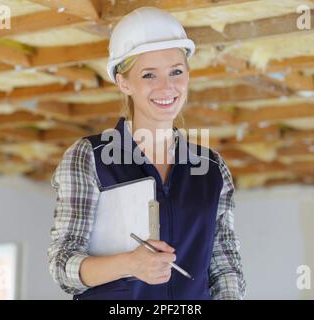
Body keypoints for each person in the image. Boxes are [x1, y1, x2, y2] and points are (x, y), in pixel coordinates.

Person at [48, 6, 245, 300]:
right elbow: (62, 266)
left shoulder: (211, 168)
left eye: (176, 72)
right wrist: (129, 263)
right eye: (149, 75)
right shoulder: (89, 157)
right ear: (124, 82)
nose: (167, 87)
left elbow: (225, 263)